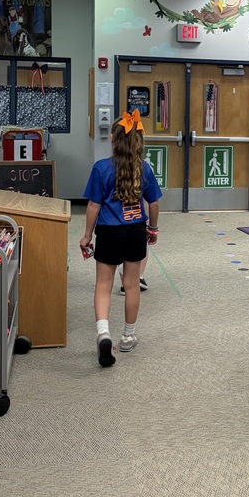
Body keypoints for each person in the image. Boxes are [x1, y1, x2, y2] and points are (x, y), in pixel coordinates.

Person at [80, 109, 162, 367]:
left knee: (103, 284)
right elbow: (154, 203)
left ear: (113, 141)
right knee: (132, 284)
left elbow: (93, 206)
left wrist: (86, 236)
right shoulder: (144, 169)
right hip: (135, 231)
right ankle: (128, 335)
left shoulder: (101, 168)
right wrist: (153, 229)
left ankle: (103, 332)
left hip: (109, 232)